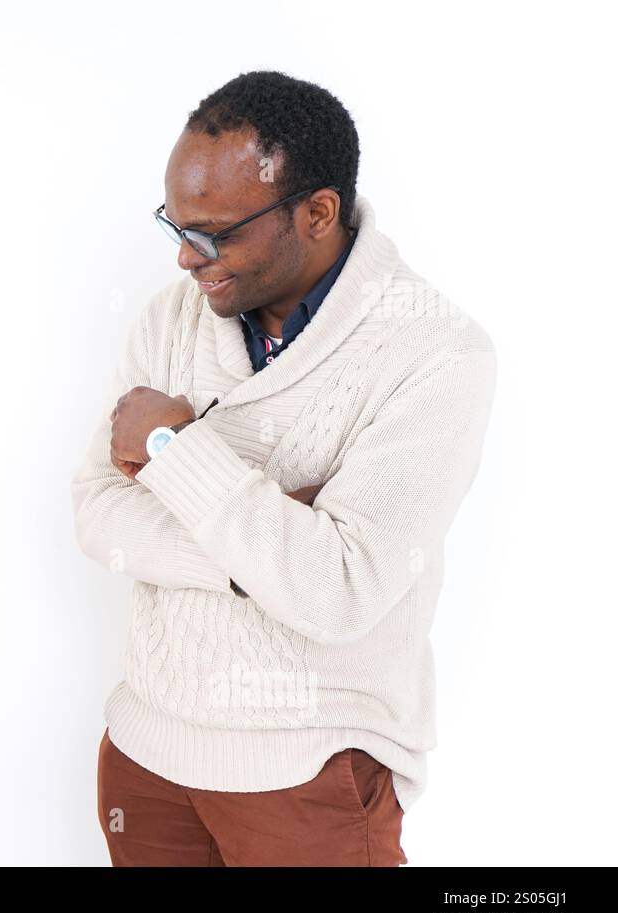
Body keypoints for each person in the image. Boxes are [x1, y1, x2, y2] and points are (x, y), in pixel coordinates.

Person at [71, 71, 496, 866]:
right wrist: (258, 550)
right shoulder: (173, 318)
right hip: (145, 756)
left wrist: (173, 449)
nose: (186, 260)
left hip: (309, 770)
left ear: (318, 211)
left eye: (216, 232)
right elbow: (96, 512)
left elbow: (336, 590)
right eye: (177, 226)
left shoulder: (437, 354)